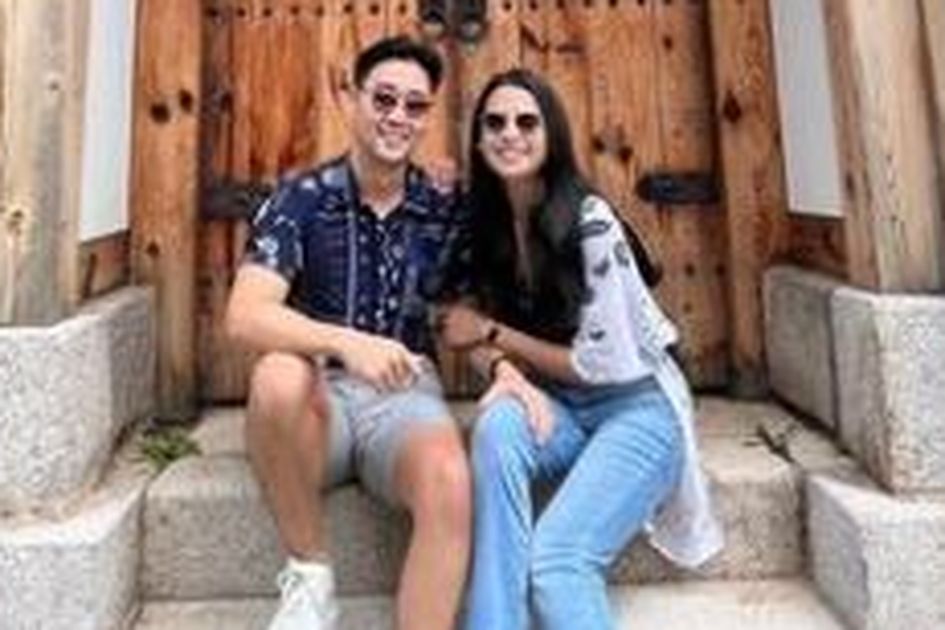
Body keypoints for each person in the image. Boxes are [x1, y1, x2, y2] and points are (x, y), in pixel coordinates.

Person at [439, 68, 724, 630]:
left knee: (558, 561)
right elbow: (456, 326)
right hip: (557, 407)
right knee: (496, 428)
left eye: (527, 122)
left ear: (553, 135)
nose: (509, 133)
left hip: (636, 410)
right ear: (478, 139)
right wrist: (503, 370)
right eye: (495, 123)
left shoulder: (590, 221)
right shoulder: (481, 223)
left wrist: (494, 335)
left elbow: (596, 368)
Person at [225, 36, 471, 630]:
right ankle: (311, 574)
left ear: (427, 117)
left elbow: (464, 311)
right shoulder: (302, 198)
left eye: (415, 106)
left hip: (405, 398)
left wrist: (510, 367)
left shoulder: (444, 204)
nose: (398, 116)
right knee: (277, 375)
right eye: (383, 98)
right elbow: (245, 314)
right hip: (320, 407)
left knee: (450, 479)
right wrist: (347, 343)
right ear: (351, 99)